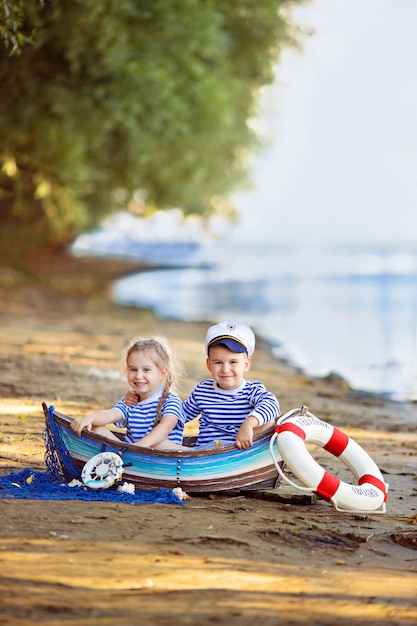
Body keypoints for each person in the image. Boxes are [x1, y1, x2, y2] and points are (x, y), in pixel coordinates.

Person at [70, 337, 185, 450]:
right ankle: (120, 456)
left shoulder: (171, 401)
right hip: (130, 456)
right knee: (96, 428)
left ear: (162, 373)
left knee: (157, 443)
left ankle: (190, 452)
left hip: (162, 459)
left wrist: (139, 447)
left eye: (146, 370)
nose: (138, 376)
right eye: (133, 369)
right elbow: (109, 415)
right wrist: (89, 418)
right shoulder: (130, 400)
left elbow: (166, 427)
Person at [182, 319, 280, 450]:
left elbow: (272, 404)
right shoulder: (202, 391)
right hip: (205, 451)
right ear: (208, 364)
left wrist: (248, 424)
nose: (225, 369)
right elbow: (182, 414)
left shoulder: (252, 390)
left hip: (239, 448)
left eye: (233, 362)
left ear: (246, 364)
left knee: (269, 421)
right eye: (218, 362)